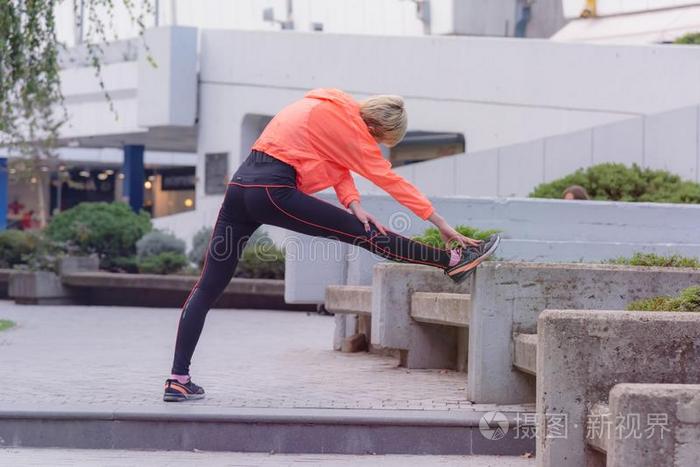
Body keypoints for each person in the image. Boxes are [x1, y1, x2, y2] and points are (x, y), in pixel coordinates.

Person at [163, 88, 500, 402]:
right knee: (366, 235)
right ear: (377, 127)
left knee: (207, 286)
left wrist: (353, 203)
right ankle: (450, 260)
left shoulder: (327, 105)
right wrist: (439, 221)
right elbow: (390, 180)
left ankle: (178, 378)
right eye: (380, 140)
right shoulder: (355, 131)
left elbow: (336, 163)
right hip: (273, 192)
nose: (377, 145)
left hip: (238, 189)